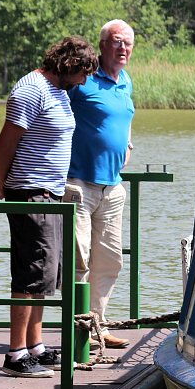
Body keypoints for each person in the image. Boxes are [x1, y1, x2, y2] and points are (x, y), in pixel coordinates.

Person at [0, 36, 99, 378]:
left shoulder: (59, 92)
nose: (84, 81)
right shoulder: (30, 89)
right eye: (83, 73)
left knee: (47, 273)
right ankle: (15, 355)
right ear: (69, 65)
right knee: (31, 272)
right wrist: (2, 181)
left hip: (50, 193)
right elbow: (6, 142)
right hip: (30, 193)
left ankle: (35, 346)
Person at [65, 20, 137, 350]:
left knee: (109, 261)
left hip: (113, 188)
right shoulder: (82, 81)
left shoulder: (126, 83)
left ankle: (97, 326)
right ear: (103, 45)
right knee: (78, 260)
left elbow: (124, 119)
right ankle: (75, 331)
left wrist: (127, 143)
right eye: (117, 42)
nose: (123, 49)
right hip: (79, 185)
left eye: (128, 44)